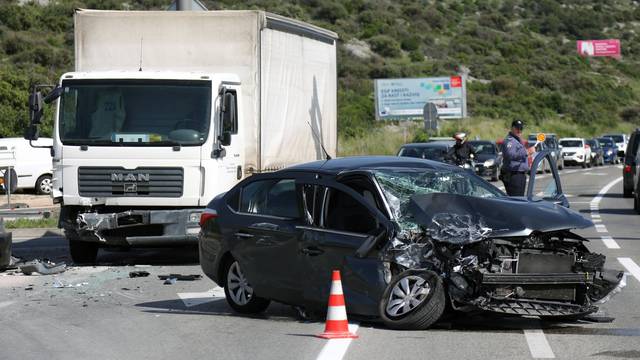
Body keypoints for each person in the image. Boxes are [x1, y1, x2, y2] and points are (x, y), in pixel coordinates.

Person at [500, 120, 535, 196]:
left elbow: (520, 158)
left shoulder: (517, 140)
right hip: (514, 176)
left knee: (519, 199)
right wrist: (526, 152)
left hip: (519, 175)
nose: (519, 130)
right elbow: (510, 155)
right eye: (517, 128)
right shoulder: (509, 141)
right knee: (516, 200)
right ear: (512, 128)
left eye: (521, 128)